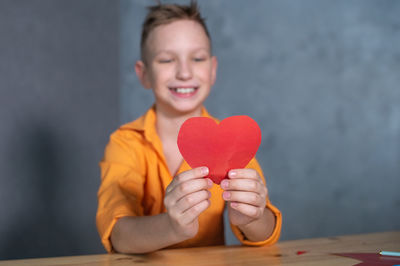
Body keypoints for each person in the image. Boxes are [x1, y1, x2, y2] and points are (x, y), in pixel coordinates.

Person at [96, 1, 282, 254]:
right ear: (144, 74)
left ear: (212, 69)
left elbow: (267, 232)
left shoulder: (233, 140)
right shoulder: (125, 143)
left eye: (197, 58)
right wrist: (172, 227)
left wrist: (252, 217)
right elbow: (117, 235)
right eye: (166, 60)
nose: (184, 72)